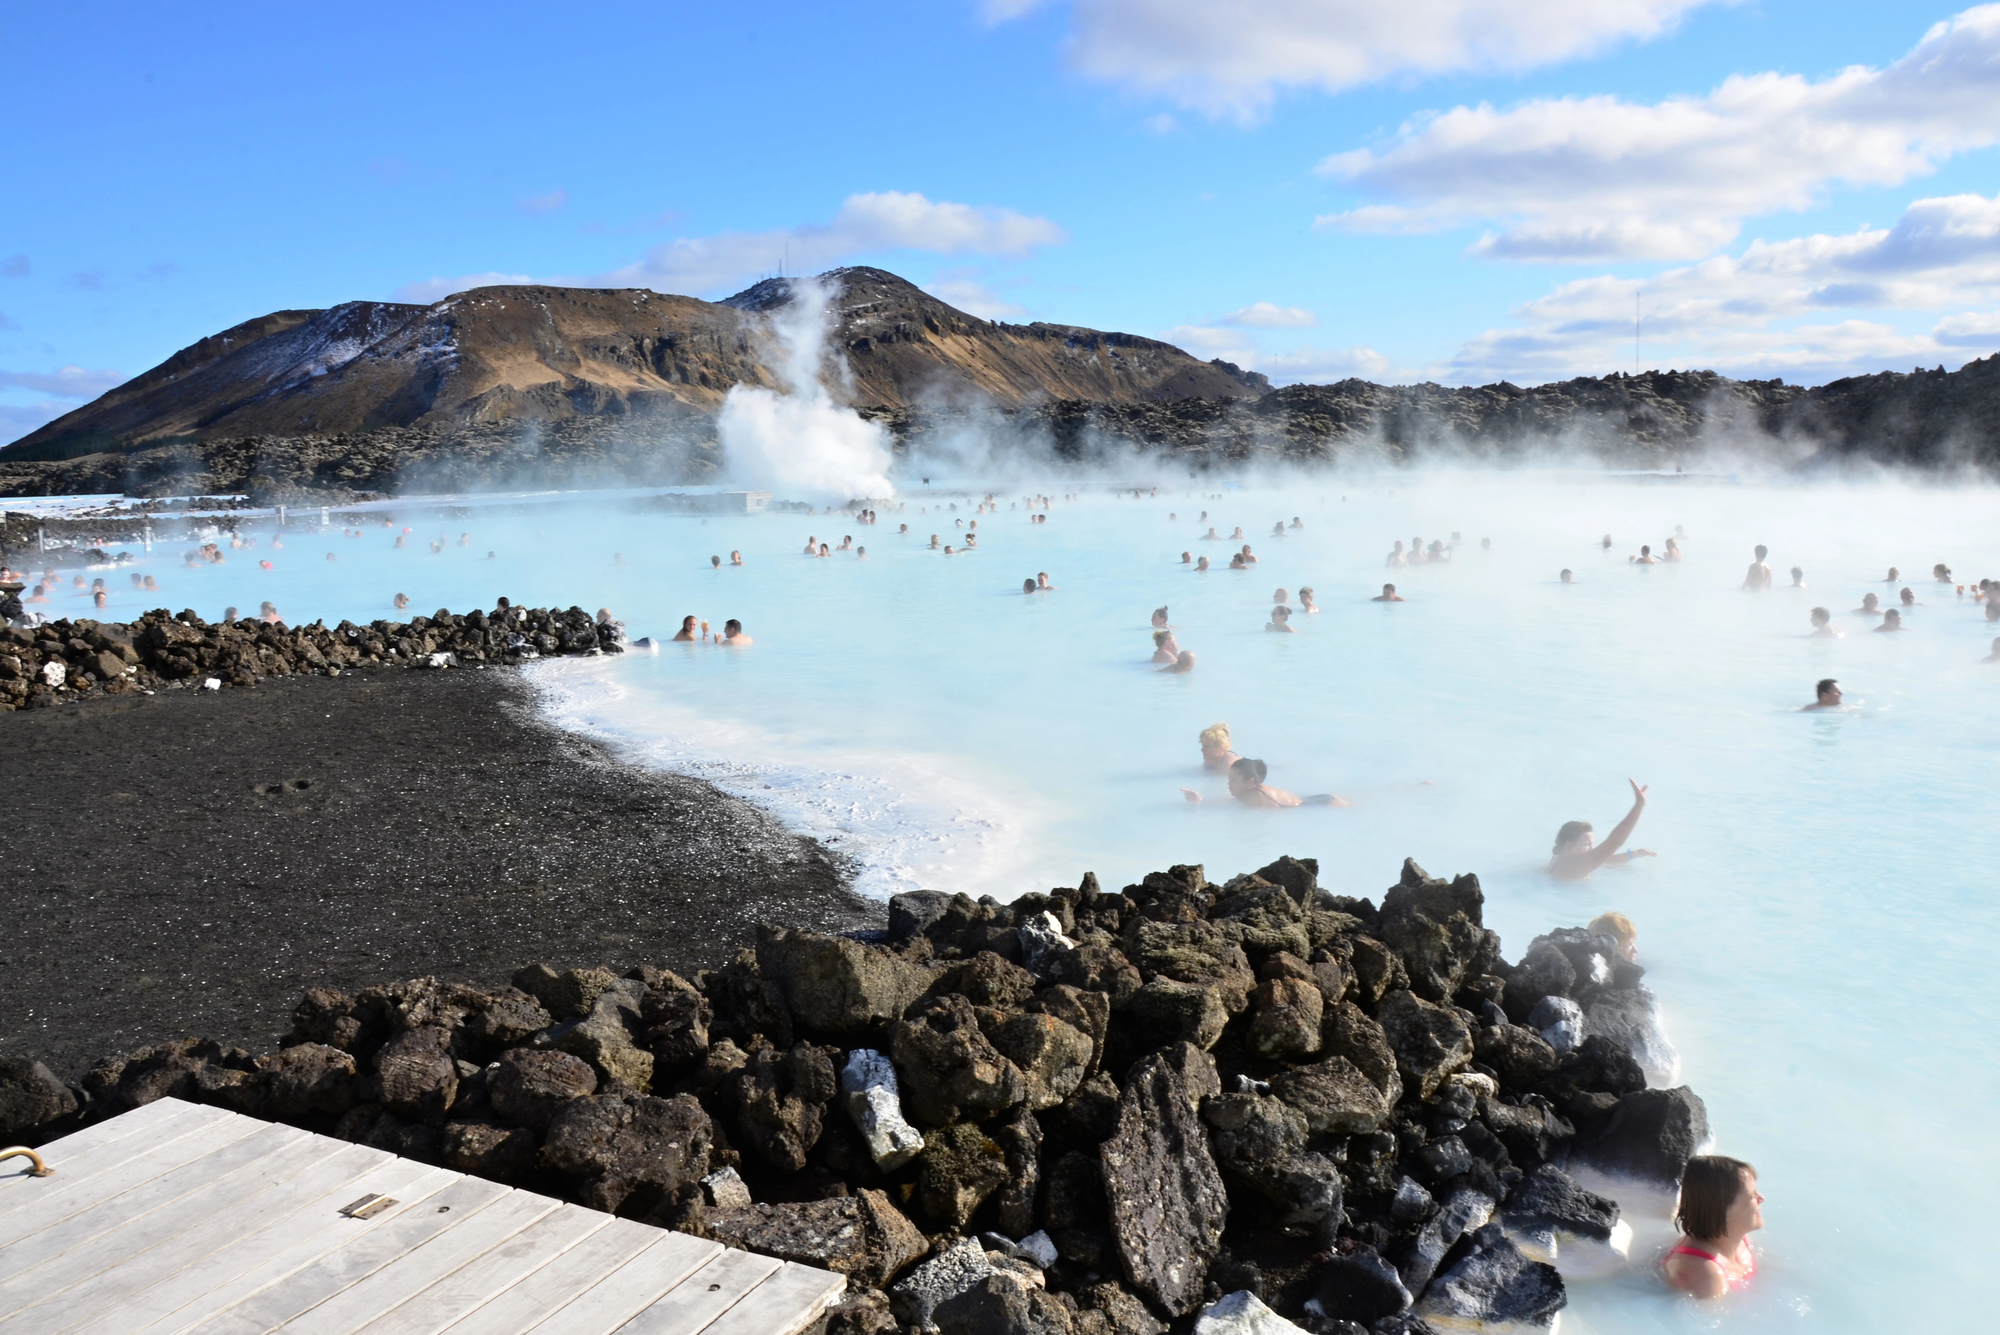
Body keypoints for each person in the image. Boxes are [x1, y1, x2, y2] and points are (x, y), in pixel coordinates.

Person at [1662, 1156, 1763, 1299]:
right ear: (1724, 1208)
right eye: (1752, 1195)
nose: (1761, 1198)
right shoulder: (1706, 1274)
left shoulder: (1740, 1240)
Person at [1550, 780, 1656, 880]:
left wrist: (1633, 854)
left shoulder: (1562, 860)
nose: (1592, 848)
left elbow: (1605, 858)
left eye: (1592, 844)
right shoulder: (1570, 868)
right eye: (1586, 844)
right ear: (1569, 845)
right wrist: (1639, 805)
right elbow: (1614, 842)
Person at [1185, 757, 1348, 807]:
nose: (1228, 784)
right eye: (1229, 779)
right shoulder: (1251, 792)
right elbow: (1232, 802)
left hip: (1327, 805)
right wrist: (1201, 801)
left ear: (1250, 782)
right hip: (1318, 800)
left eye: (1233, 780)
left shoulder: (1259, 798)